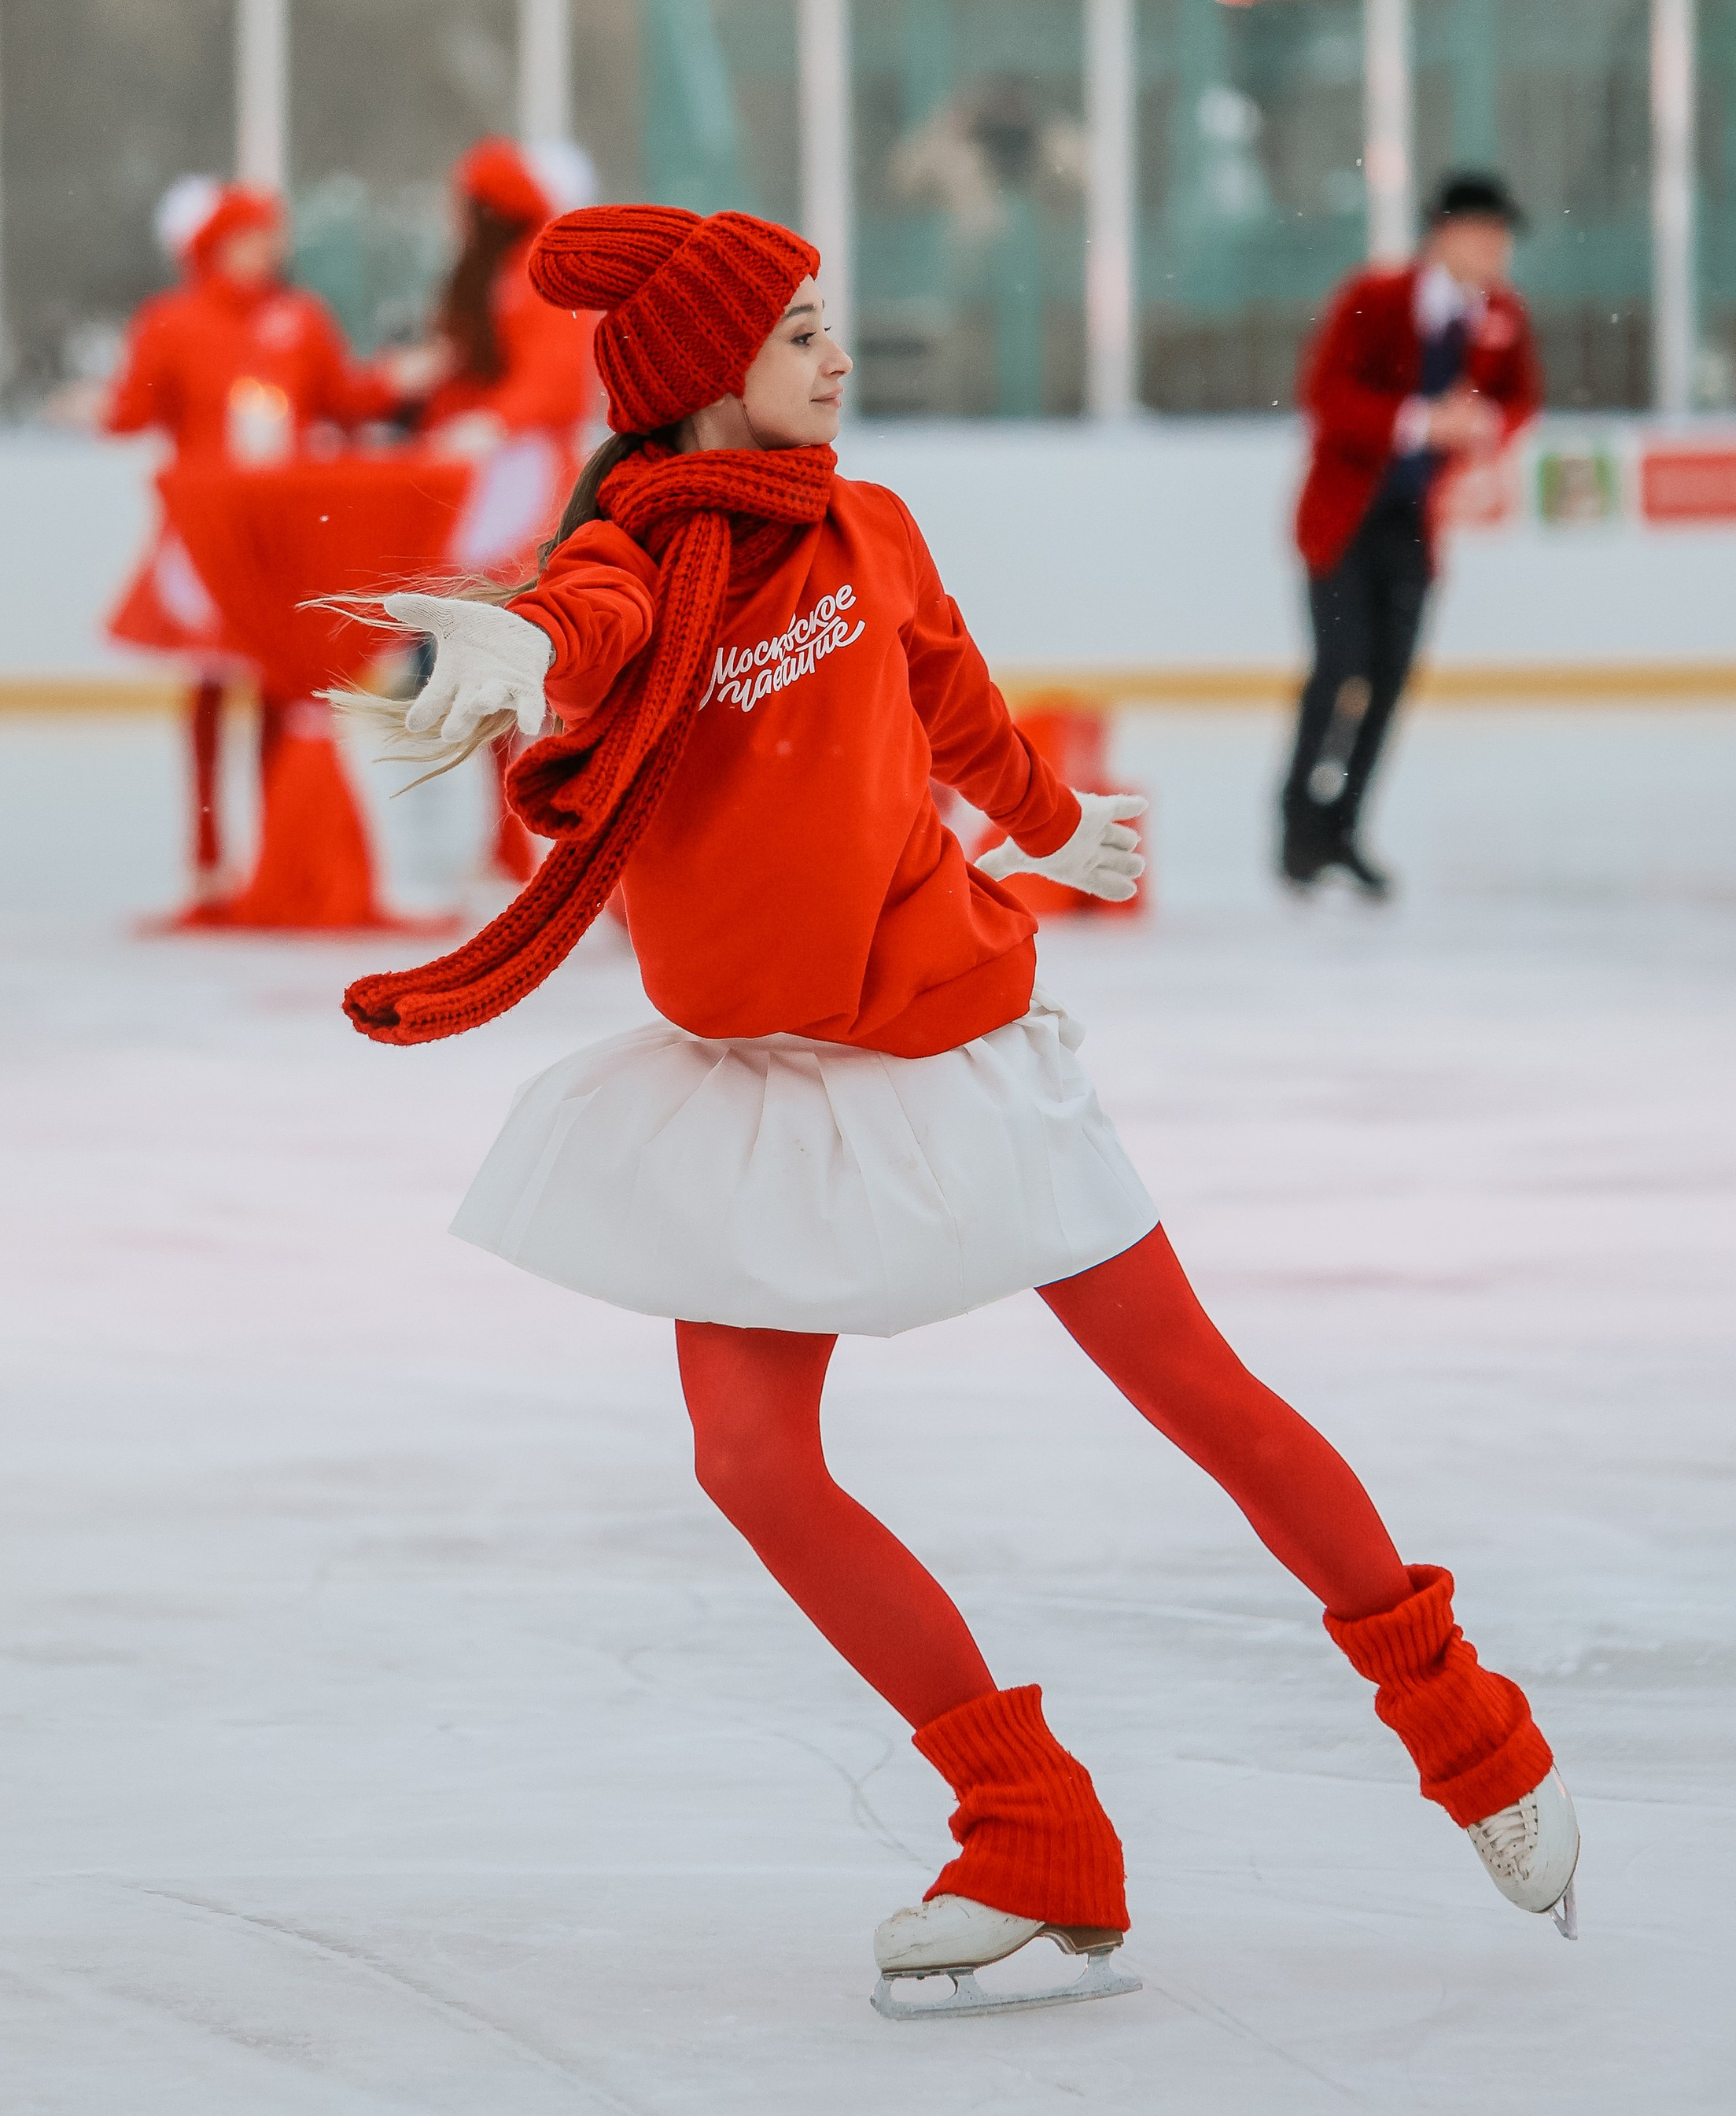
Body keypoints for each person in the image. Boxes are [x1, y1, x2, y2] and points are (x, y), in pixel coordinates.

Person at [335, 201, 1578, 2018]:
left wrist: (1056, 827)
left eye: (831, 322)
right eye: (796, 334)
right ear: (698, 381)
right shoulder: (629, 562)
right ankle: (1030, 1825)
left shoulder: (865, 525)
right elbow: (587, 625)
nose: (836, 358)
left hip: (954, 1036)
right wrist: (524, 657)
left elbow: (958, 710)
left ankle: (1464, 1724)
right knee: (751, 1461)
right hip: (757, 1080)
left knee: (1195, 1391)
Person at [102, 183, 403, 915]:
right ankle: (208, 856)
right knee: (209, 681)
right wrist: (105, 406)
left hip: (281, 534)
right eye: (249, 238)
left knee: (281, 683)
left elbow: (342, 400)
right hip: (208, 535)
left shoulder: (299, 318)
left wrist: (398, 383)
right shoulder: (171, 322)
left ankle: (279, 848)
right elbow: (133, 410)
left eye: (271, 237)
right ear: (211, 247)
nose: (265, 251)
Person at [1281, 171, 1542, 897]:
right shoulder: (1378, 297)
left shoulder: (1500, 315)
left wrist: (1481, 423)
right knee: (1341, 671)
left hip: (1415, 523)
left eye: (1502, 237)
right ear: (1444, 232)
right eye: (1483, 232)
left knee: (1390, 678)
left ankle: (1344, 827)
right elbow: (1327, 396)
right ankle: (1298, 824)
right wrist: (1424, 421)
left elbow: (1519, 400)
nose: (1495, 249)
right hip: (1344, 521)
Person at [388, 137, 602, 879]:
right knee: (493, 667)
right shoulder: (495, 280)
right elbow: (491, 377)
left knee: (522, 664)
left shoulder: (534, 277)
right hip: (493, 494)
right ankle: (514, 841)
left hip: (529, 493)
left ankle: (553, 839)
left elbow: (555, 385)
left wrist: (492, 421)